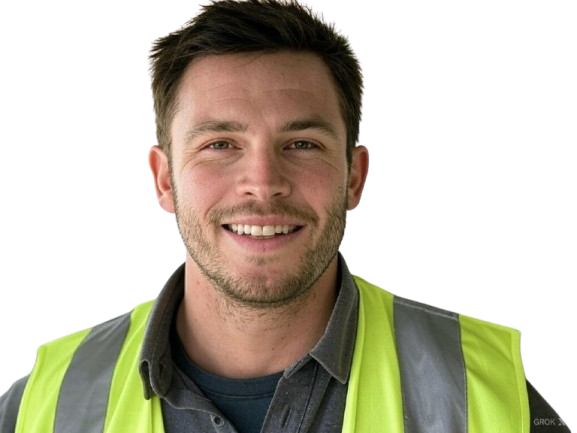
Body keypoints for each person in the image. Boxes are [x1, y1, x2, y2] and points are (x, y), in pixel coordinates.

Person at [0, 1, 570, 432]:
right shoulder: (41, 404)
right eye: (220, 144)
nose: (263, 182)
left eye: (301, 144)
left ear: (354, 176)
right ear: (164, 179)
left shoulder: (490, 392)